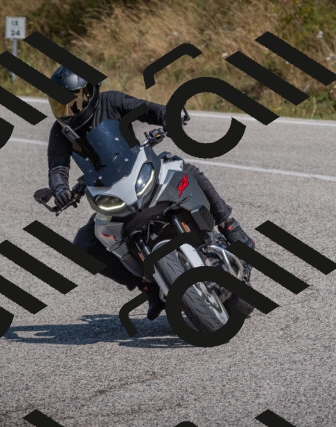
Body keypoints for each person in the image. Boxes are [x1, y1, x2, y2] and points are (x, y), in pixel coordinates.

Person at [46, 66, 254, 320]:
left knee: (185, 170)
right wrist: (60, 188)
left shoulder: (111, 101)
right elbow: (57, 166)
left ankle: (229, 226)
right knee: (84, 245)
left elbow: (146, 109)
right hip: (112, 193)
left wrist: (168, 117)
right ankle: (147, 286)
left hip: (142, 170)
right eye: (60, 103)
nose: (68, 109)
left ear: (89, 92)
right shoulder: (60, 131)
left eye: (73, 100)